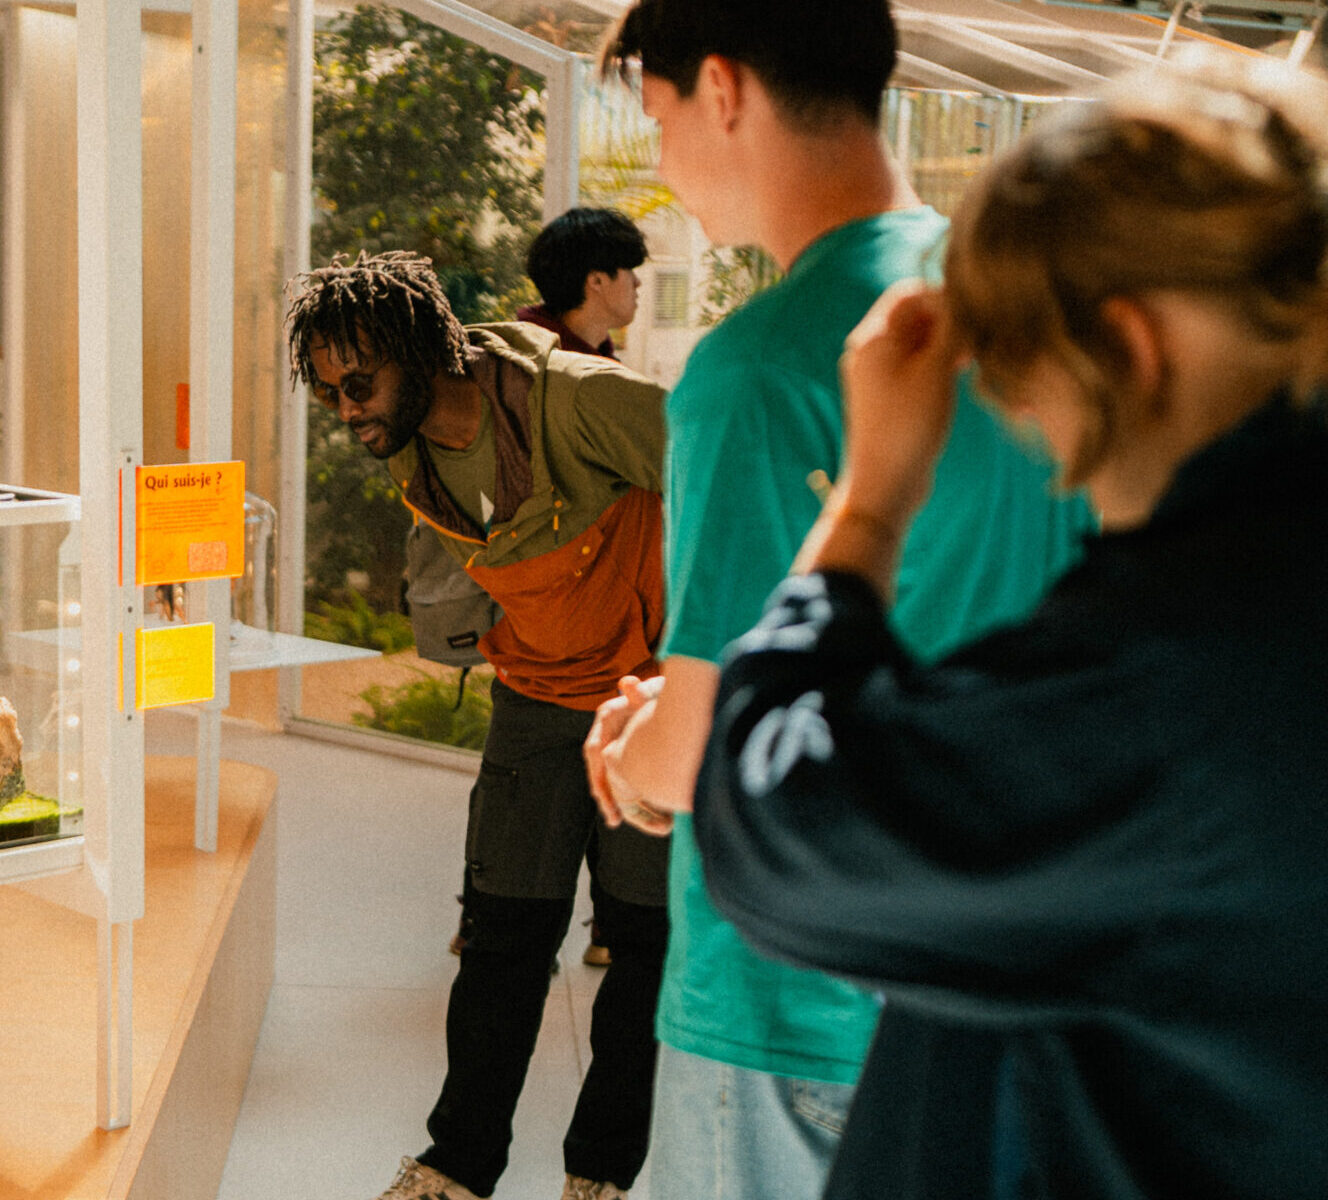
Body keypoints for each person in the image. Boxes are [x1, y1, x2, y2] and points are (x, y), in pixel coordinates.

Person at [695, 52, 1328, 1197]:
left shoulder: (1193, 673)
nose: (1019, 417)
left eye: (1013, 364)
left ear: (1127, 351)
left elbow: (780, 833)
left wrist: (866, 503)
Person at [581, 3, 1093, 1197]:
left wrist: (629, 753)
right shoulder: (1017, 316)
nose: (659, 167)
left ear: (722, 90)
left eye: (656, 121)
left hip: (787, 997)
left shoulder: (756, 366)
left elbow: (697, 749)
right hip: (978, 987)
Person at [288, 252, 671, 1200]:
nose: (346, 410)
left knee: (645, 945)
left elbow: (736, 485)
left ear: (421, 351)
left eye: (359, 382)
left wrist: (707, 666)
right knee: (503, 937)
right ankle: (459, 1164)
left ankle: (603, 1174)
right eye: (329, 391)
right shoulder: (409, 442)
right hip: (536, 697)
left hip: (645, 697)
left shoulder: (578, 398)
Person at [515, 205, 649, 972]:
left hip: (579, 612)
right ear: (598, 282)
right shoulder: (560, 374)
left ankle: (590, 921)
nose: (636, 289)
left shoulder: (545, 355)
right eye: (630, 274)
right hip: (563, 608)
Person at [520, 207, 648, 360]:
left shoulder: (591, 360)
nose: (637, 282)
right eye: (629, 270)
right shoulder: (540, 368)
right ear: (596, 281)